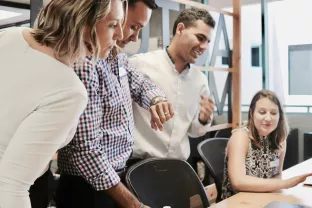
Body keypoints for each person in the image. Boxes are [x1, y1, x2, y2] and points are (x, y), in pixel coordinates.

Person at [0, 0, 126, 207]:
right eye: (113, 25)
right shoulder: (69, 91)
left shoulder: (10, 36)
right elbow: (11, 186)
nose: (120, 35)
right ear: (82, 21)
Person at [56, 0, 169, 207]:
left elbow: (140, 83)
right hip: (87, 188)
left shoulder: (116, 56)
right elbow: (85, 150)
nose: (134, 37)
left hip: (114, 178)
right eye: (133, 27)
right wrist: (134, 204)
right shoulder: (85, 63)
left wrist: (156, 99)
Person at [128, 7, 216, 162]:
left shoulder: (200, 80)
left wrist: (203, 118)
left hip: (178, 166)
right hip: (139, 165)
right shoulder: (139, 65)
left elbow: (195, 131)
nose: (204, 47)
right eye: (200, 38)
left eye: (208, 42)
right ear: (180, 29)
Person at [221, 90, 312, 199]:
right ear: (252, 113)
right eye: (262, 112)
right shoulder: (240, 137)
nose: (268, 118)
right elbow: (238, 182)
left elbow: (276, 175)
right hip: (237, 201)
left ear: (280, 116)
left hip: (264, 197)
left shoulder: (280, 139)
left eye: (274, 113)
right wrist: (286, 184)